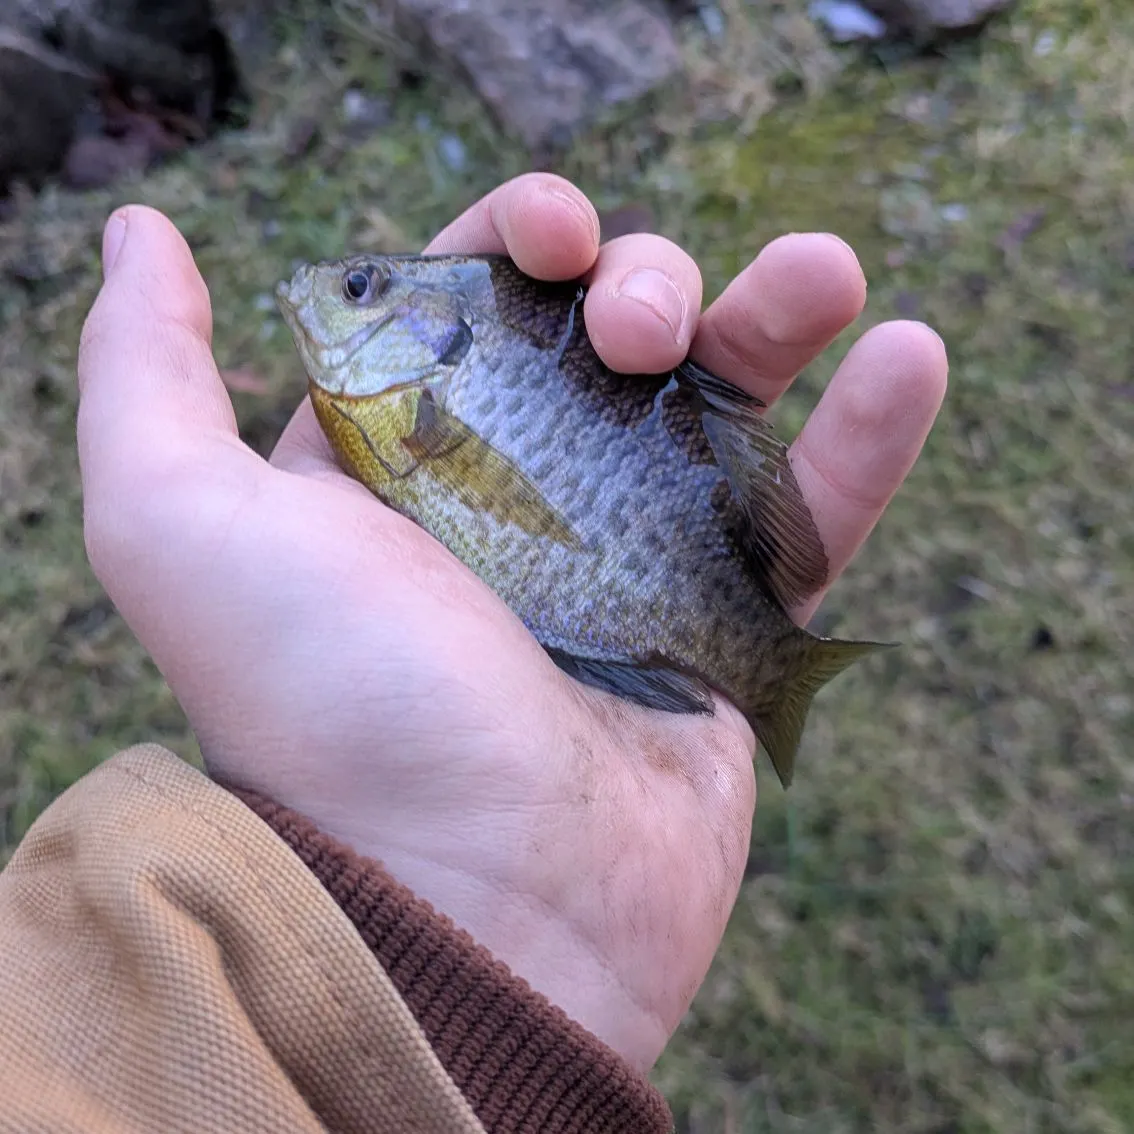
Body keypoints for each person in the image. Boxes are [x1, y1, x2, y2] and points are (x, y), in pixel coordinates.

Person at [0, 173, 947, 1132]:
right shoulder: (390, 407)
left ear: (434, 329)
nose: (326, 291)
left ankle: (775, 672)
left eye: (363, 290)